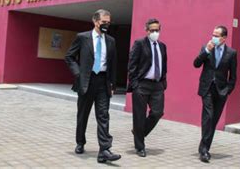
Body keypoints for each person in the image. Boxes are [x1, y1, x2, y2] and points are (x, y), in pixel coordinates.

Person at [65, 9, 121, 163]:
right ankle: (80, 142)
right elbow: (69, 57)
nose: (106, 25)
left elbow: (113, 64)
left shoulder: (111, 40)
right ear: (95, 21)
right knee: (83, 115)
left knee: (103, 115)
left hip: (103, 82)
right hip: (86, 81)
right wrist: (79, 73)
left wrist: (113, 84)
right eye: (104, 22)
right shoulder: (82, 38)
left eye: (108, 23)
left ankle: (104, 150)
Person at [193, 25, 237, 163]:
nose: (214, 37)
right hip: (207, 88)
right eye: (213, 34)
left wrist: (228, 90)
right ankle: (204, 150)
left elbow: (233, 75)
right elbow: (196, 63)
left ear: (224, 38)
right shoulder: (206, 48)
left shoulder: (231, 53)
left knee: (213, 120)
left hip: (221, 91)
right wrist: (206, 50)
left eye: (217, 35)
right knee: (208, 116)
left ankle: (203, 146)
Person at [127, 18, 167, 158]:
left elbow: (164, 65)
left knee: (157, 112)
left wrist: (163, 83)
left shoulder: (162, 46)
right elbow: (132, 65)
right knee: (139, 116)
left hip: (157, 85)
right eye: (152, 30)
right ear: (147, 30)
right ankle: (140, 146)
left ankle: (139, 132)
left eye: (157, 30)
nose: (155, 32)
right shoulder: (139, 43)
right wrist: (135, 85)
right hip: (142, 84)